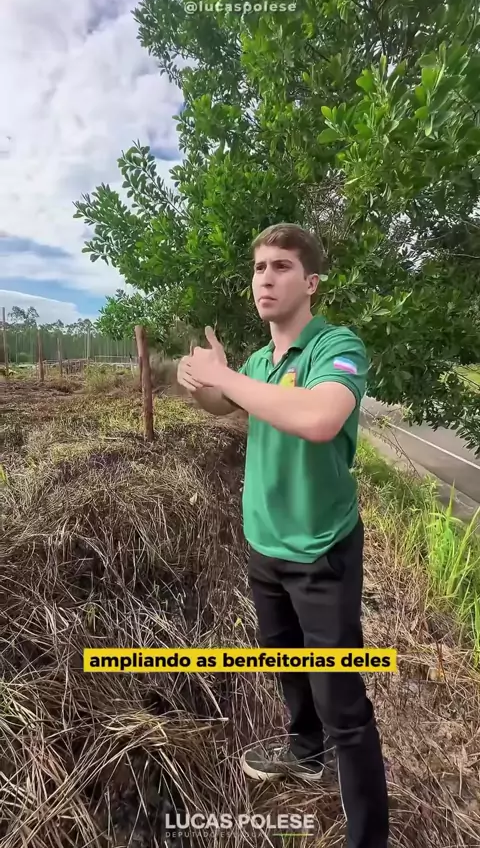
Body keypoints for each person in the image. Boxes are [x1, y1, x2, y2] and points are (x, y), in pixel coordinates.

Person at [176, 223, 389, 848]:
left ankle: (368, 836)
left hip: (321, 550)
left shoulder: (335, 346)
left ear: (311, 281)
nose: (265, 278)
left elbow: (320, 418)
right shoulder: (259, 362)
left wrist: (229, 380)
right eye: (259, 268)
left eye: (281, 267)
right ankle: (304, 751)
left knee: (343, 703)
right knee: (283, 659)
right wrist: (203, 384)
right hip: (264, 545)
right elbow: (227, 405)